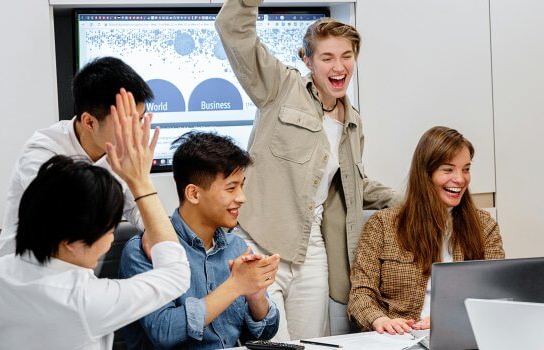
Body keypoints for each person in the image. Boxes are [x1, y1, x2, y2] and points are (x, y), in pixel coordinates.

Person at [215, 0, 399, 340]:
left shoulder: (353, 121)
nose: (338, 66)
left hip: (311, 249)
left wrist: (413, 199)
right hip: (258, 240)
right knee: (274, 342)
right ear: (307, 61)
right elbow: (232, 29)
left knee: (311, 344)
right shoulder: (280, 88)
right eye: (327, 58)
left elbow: (354, 185)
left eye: (346, 56)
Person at [0, 89, 190, 350]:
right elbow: (176, 274)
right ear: (70, 241)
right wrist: (142, 180)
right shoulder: (87, 301)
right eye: (109, 230)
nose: (112, 238)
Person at [120, 131, 280, 349]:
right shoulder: (142, 251)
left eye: (242, 186)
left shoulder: (236, 247)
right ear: (193, 194)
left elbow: (264, 333)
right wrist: (235, 286)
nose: (242, 198)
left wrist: (256, 296)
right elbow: (163, 331)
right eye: (231, 188)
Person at [0, 57, 153, 260]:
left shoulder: (123, 149)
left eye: (141, 119)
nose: (137, 131)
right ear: (89, 122)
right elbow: (71, 221)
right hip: (24, 273)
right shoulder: (43, 152)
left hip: (77, 271)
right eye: (126, 123)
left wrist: (152, 231)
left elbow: (136, 205)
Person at [347, 126, 505, 334]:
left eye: (466, 169)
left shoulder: (485, 226)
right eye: (448, 170)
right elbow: (360, 294)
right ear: (425, 174)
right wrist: (380, 320)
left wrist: (451, 318)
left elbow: (496, 292)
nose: (460, 179)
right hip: (400, 338)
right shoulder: (383, 226)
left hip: (459, 333)